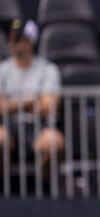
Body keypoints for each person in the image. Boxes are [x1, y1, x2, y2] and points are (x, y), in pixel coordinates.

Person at [0, 19, 64, 171]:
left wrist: (11, 104)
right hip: (8, 126)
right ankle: (4, 190)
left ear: (31, 41)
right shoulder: (2, 71)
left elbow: (49, 108)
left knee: (55, 143)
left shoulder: (49, 70)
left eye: (18, 38)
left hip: (39, 127)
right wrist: (32, 101)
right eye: (11, 37)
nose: (12, 41)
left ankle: (42, 189)